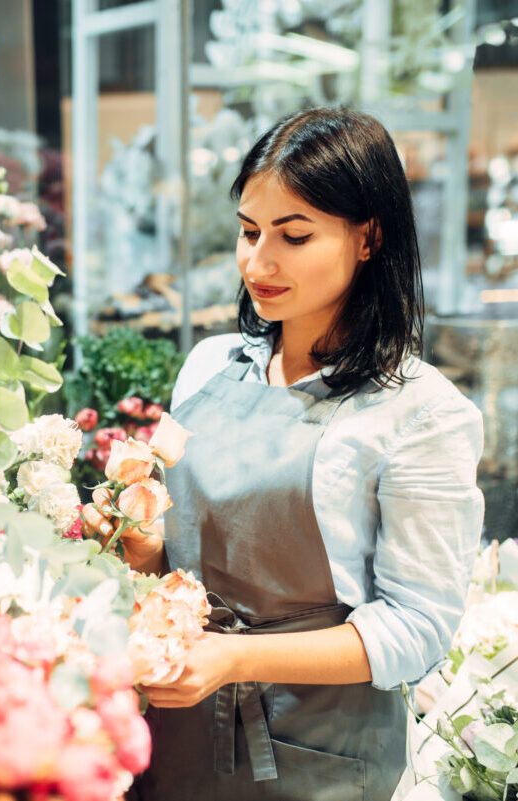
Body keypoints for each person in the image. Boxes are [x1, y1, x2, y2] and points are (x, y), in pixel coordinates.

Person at [82, 107, 484, 801]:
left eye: (292, 236)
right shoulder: (208, 366)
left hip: (316, 758)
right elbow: (171, 559)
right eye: (247, 231)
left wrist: (234, 656)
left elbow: (414, 627)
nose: (257, 262)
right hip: (172, 734)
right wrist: (136, 541)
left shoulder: (419, 411)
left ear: (368, 237)